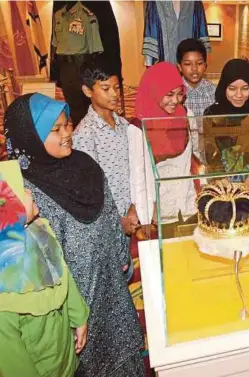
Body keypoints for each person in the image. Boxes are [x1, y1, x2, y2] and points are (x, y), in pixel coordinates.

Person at [4, 93, 145, 377]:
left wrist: (121, 256)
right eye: (55, 130)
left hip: (112, 285)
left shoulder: (86, 165)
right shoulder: (21, 193)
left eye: (67, 124)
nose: (67, 133)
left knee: (124, 350)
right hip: (73, 299)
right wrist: (70, 310)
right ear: (29, 137)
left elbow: (110, 213)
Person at [0, 176, 89, 377]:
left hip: (66, 357)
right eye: (21, 189)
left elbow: (63, 276)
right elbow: (11, 359)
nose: (30, 192)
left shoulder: (37, 232)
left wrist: (79, 317)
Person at [130, 62, 198, 239]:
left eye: (179, 94)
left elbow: (195, 156)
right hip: (160, 212)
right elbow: (139, 175)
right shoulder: (138, 127)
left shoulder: (186, 115)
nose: (175, 100)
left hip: (189, 205)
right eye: (169, 94)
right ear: (154, 91)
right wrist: (144, 215)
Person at [73, 58, 138, 240]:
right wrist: (117, 220)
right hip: (108, 221)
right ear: (87, 91)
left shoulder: (124, 124)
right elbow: (90, 188)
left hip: (131, 210)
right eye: (105, 88)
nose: (114, 94)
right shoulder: (85, 134)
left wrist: (135, 205)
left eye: (117, 88)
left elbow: (134, 167)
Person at [176, 38, 216, 116]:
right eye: (188, 64)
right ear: (179, 67)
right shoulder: (173, 93)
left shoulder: (215, 92)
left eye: (199, 63)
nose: (194, 69)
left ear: (205, 65)